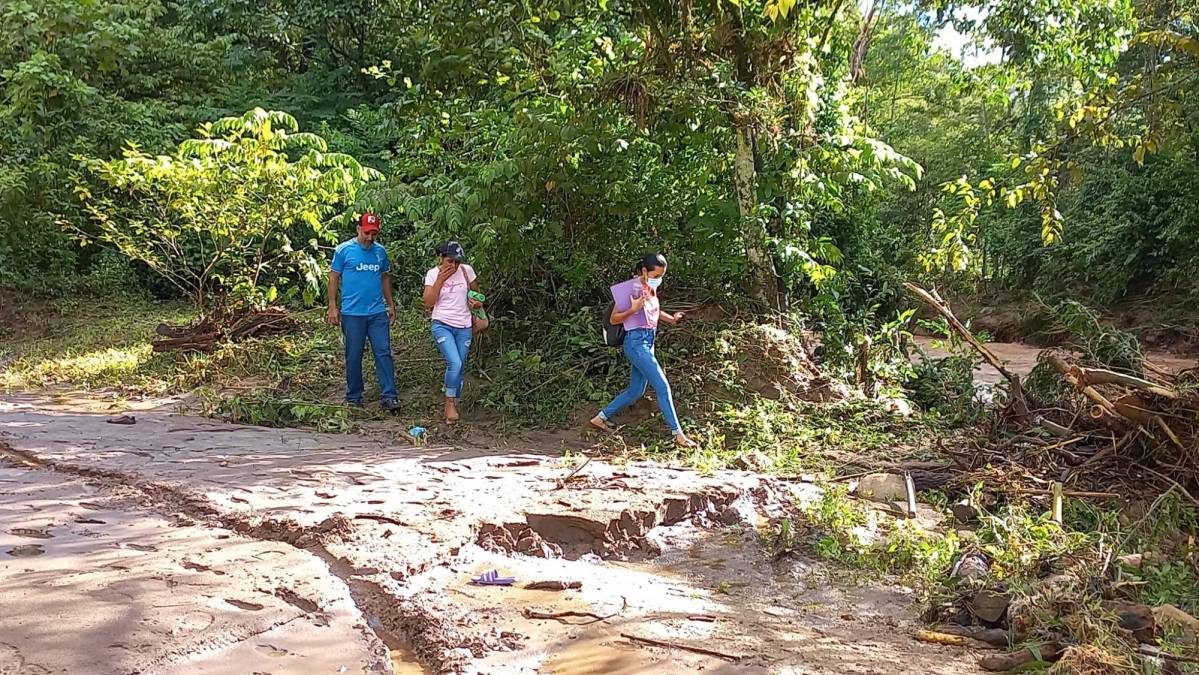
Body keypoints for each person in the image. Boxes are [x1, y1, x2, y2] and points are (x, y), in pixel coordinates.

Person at [590, 253, 696, 448]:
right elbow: (614, 319)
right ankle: (679, 435)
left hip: (648, 343)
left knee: (636, 391)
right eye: (656, 275)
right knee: (663, 387)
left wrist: (671, 319)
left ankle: (600, 418)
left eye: (662, 276)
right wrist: (632, 309)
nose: (659, 279)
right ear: (645, 271)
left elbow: (653, 311)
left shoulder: (650, 287)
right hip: (636, 344)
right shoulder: (629, 288)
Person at [327, 212, 399, 411]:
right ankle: (354, 397)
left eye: (374, 234)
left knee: (383, 352)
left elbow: (384, 277)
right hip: (352, 313)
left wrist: (390, 304)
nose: (370, 238)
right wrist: (332, 306)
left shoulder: (380, 252)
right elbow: (333, 278)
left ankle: (389, 396)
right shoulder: (344, 250)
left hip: (376, 313)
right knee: (354, 354)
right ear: (358, 228)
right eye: (367, 233)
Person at [422, 241, 483, 422]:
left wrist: (478, 304)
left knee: (460, 365)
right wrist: (441, 279)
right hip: (442, 323)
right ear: (441, 258)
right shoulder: (432, 275)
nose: (454, 266)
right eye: (450, 261)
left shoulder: (466, 271)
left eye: (457, 262)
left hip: (464, 325)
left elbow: (477, 294)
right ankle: (449, 404)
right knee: (454, 363)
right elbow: (428, 302)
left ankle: (454, 399)